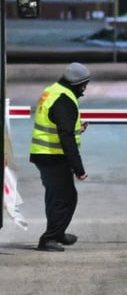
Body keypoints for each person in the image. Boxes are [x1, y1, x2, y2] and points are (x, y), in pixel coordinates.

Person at [29, 62, 90, 251]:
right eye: (84, 85)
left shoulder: (54, 90)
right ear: (77, 84)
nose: (85, 89)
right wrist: (79, 169)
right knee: (65, 198)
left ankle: (57, 232)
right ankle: (49, 238)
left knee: (56, 196)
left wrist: (76, 129)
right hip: (52, 155)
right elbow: (66, 137)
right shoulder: (64, 99)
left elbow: (57, 124)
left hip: (46, 154)